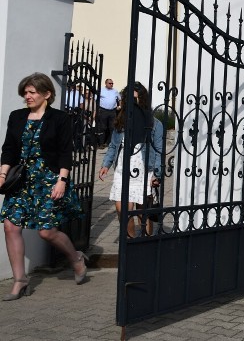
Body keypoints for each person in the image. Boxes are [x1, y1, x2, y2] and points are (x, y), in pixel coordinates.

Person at [1, 73, 88, 300]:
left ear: (47, 94)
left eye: (32, 92)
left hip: (48, 180)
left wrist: (62, 180)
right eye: (25, 93)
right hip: (21, 180)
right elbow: (9, 147)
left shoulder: (60, 119)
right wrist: (2, 174)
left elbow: (65, 152)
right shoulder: (17, 116)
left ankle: (76, 258)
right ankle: (20, 280)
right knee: (10, 226)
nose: (27, 97)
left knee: (46, 231)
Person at [98, 82, 164, 237]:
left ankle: (146, 245)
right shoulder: (121, 121)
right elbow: (114, 146)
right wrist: (106, 164)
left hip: (144, 170)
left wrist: (157, 174)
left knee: (143, 213)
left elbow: (159, 150)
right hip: (123, 169)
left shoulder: (154, 123)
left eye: (136, 100)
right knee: (123, 210)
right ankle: (131, 241)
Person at [96, 78, 120, 148]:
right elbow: (96, 100)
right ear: (106, 83)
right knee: (102, 127)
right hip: (103, 110)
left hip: (112, 111)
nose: (111, 85)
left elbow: (119, 99)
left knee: (112, 127)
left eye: (112, 83)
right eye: (110, 83)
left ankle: (109, 143)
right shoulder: (101, 90)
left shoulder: (115, 91)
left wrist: (119, 106)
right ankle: (101, 143)